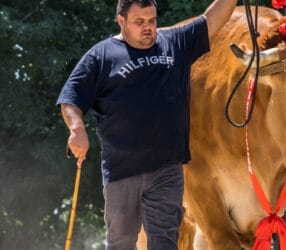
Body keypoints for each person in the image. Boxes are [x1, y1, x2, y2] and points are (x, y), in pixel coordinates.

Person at [56, 0, 238, 249]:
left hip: (167, 170)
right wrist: (76, 129)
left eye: (152, 21)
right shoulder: (101, 55)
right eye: (139, 22)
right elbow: (71, 98)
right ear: (121, 21)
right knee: (121, 242)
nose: (148, 28)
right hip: (122, 172)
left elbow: (211, 20)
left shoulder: (174, 43)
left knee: (164, 241)